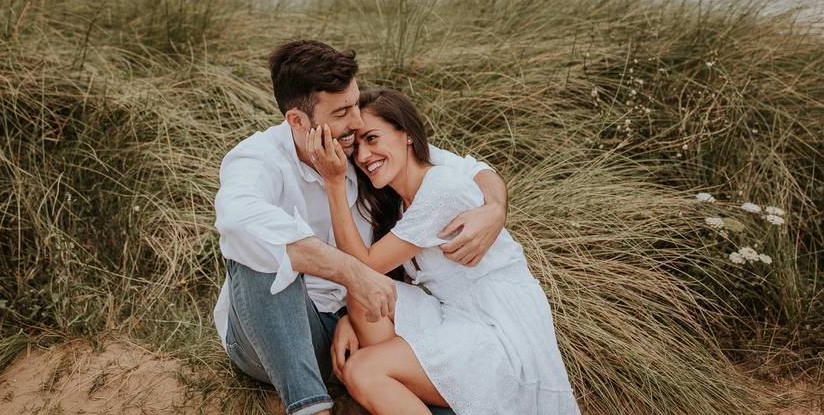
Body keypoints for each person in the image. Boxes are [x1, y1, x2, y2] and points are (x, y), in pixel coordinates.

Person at [214, 40, 510, 415]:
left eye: (355, 104)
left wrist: (495, 208)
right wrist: (352, 275)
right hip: (267, 342)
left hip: (357, 328)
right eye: (341, 112)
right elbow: (237, 218)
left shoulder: (361, 147)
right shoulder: (258, 159)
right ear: (298, 121)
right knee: (256, 247)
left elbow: (468, 168)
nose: (356, 121)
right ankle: (311, 407)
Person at [309, 88, 580, 415]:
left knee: (362, 368)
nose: (363, 156)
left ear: (405, 135)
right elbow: (365, 280)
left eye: (373, 138)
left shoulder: (441, 189)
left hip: (498, 325)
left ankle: (391, 385)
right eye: (358, 147)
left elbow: (362, 266)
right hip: (456, 315)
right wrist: (348, 321)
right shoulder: (399, 199)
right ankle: (400, 394)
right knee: (365, 296)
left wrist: (334, 183)